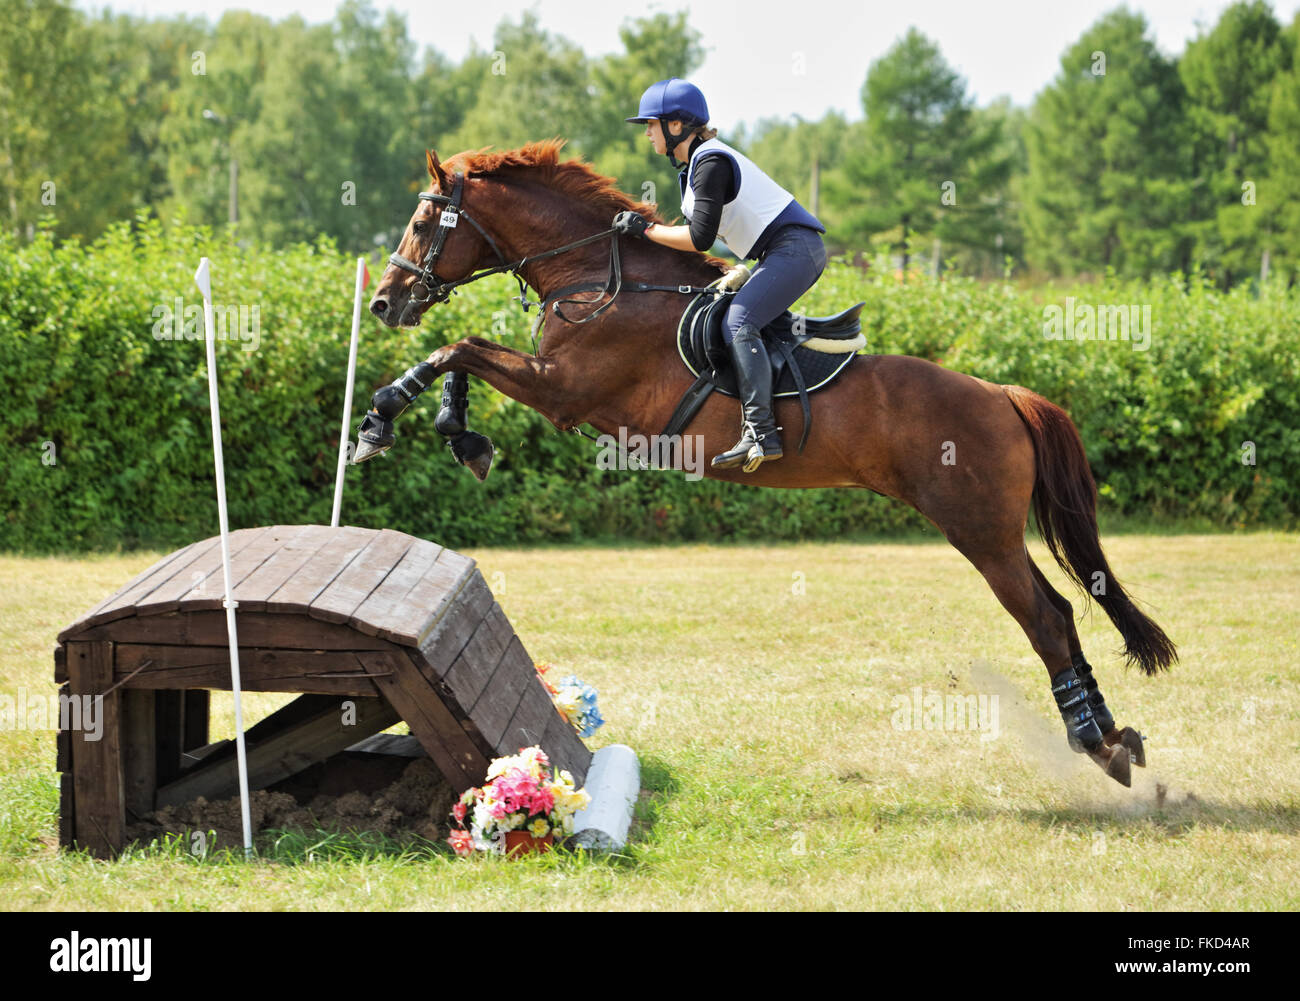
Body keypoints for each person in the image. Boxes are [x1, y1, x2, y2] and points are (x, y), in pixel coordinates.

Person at [614, 77, 828, 472]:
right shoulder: (699, 162)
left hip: (794, 250)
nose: (646, 133)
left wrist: (644, 229)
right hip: (781, 251)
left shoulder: (710, 163)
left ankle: (762, 433)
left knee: (739, 320)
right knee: (730, 314)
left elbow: (700, 239)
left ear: (675, 126)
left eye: (650, 124)